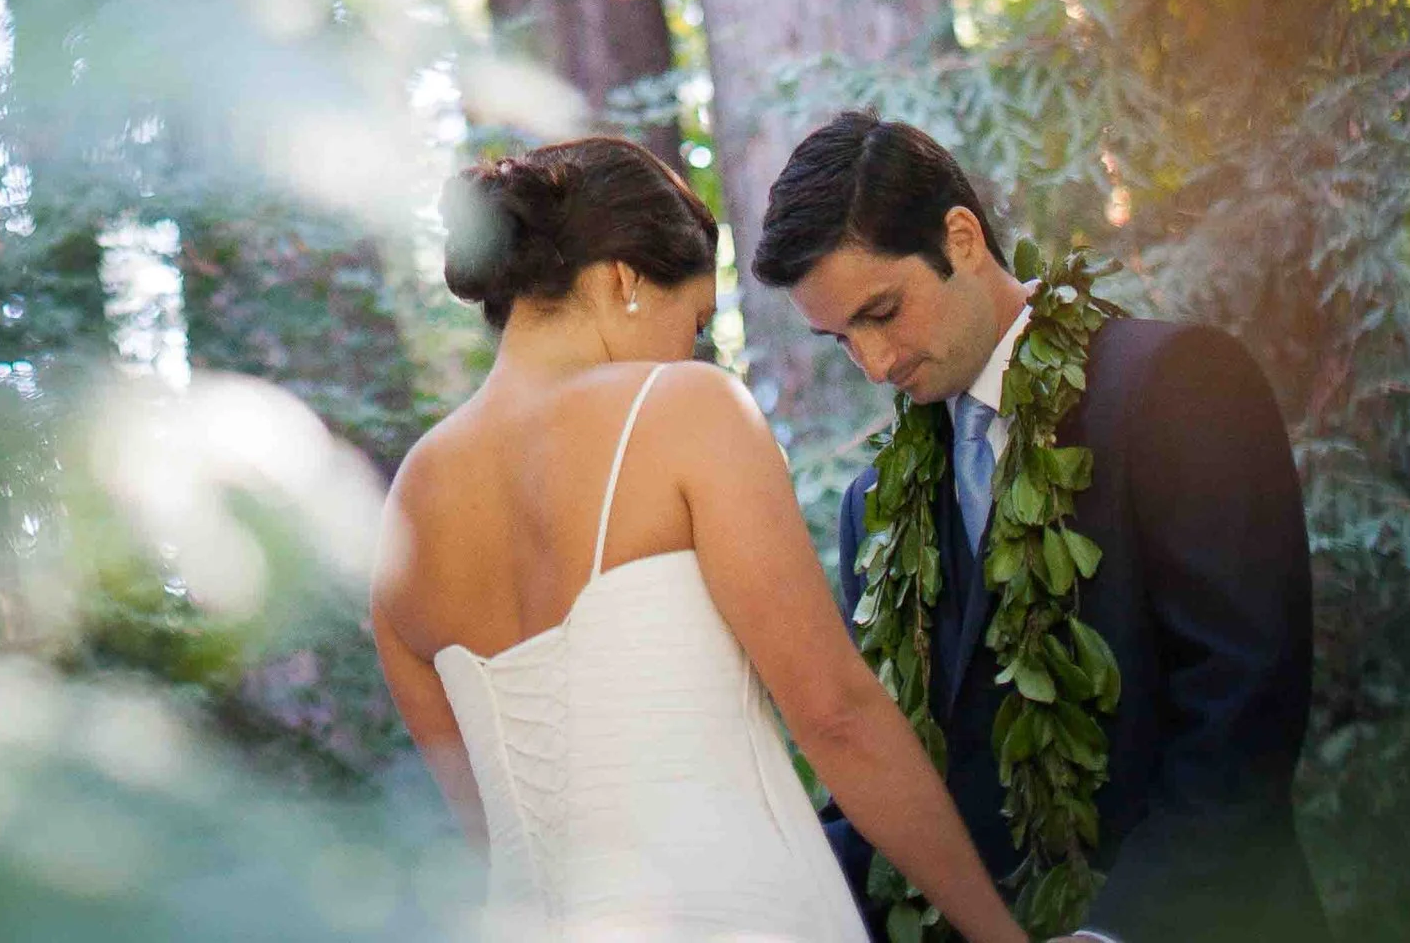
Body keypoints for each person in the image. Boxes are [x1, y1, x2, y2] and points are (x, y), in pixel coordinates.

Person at [370, 136, 1034, 943]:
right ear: (624, 282)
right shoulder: (685, 410)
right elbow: (835, 718)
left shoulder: (404, 507)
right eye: (695, 321)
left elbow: (480, 824)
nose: (693, 350)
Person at [752, 111, 1326, 943]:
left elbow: (1245, 705)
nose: (874, 364)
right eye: (841, 339)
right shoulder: (871, 505)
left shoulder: (1174, 384)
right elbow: (881, 786)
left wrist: (1114, 934)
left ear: (961, 237)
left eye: (882, 311)